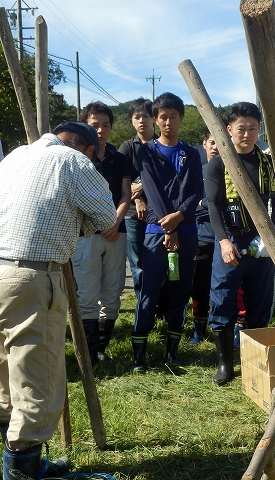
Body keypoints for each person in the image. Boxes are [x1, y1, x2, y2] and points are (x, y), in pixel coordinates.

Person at [0, 121, 117, 480]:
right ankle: (22, 473)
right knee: (39, 380)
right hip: (31, 278)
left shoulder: (18, 155)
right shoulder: (75, 163)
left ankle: (23, 462)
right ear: (87, 148)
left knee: (6, 369)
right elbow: (106, 218)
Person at [205, 101, 275, 386]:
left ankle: (253, 362)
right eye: (241, 128)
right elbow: (213, 205)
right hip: (230, 239)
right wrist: (224, 241)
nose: (247, 134)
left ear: (259, 129)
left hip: (261, 241)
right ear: (229, 130)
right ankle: (226, 365)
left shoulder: (267, 164)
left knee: (259, 303)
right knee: (223, 298)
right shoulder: (218, 163)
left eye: (253, 128)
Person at [130, 92, 203, 372]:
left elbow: (196, 189)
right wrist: (167, 223)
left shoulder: (191, 153)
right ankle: (139, 354)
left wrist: (180, 216)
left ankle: (172, 351)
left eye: (174, 116)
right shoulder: (147, 151)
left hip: (186, 230)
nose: (168, 122)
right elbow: (150, 188)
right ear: (155, 120)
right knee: (149, 290)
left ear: (181, 119)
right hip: (154, 231)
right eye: (163, 117)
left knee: (181, 290)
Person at [72, 101, 131, 365]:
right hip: (86, 236)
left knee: (112, 291)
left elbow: (126, 195)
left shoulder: (119, 159)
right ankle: (90, 351)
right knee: (86, 294)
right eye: (94, 125)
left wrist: (114, 223)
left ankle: (102, 347)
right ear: (85, 125)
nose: (100, 130)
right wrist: (100, 223)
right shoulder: (76, 159)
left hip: (117, 233)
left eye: (105, 124)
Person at [119, 98, 155, 298]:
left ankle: (158, 305)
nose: (142, 121)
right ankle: (143, 303)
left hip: (158, 214)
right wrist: (138, 199)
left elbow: (164, 181)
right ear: (131, 121)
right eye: (137, 117)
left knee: (158, 260)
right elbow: (122, 182)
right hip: (132, 215)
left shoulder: (162, 146)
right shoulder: (126, 148)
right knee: (136, 262)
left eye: (146, 116)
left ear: (154, 119)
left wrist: (140, 187)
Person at [189, 130, 218, 344]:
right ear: (204, 144)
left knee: (224, 286)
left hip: (226, 238)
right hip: (202, 238)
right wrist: (210, 205)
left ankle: (224, 327)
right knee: (199, 285)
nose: (216, 147)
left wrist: (204, 204)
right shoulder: (196, 173)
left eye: (220, 143)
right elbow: (190, 206)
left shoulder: (231, 173)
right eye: (212, 142)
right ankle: (198, 327)